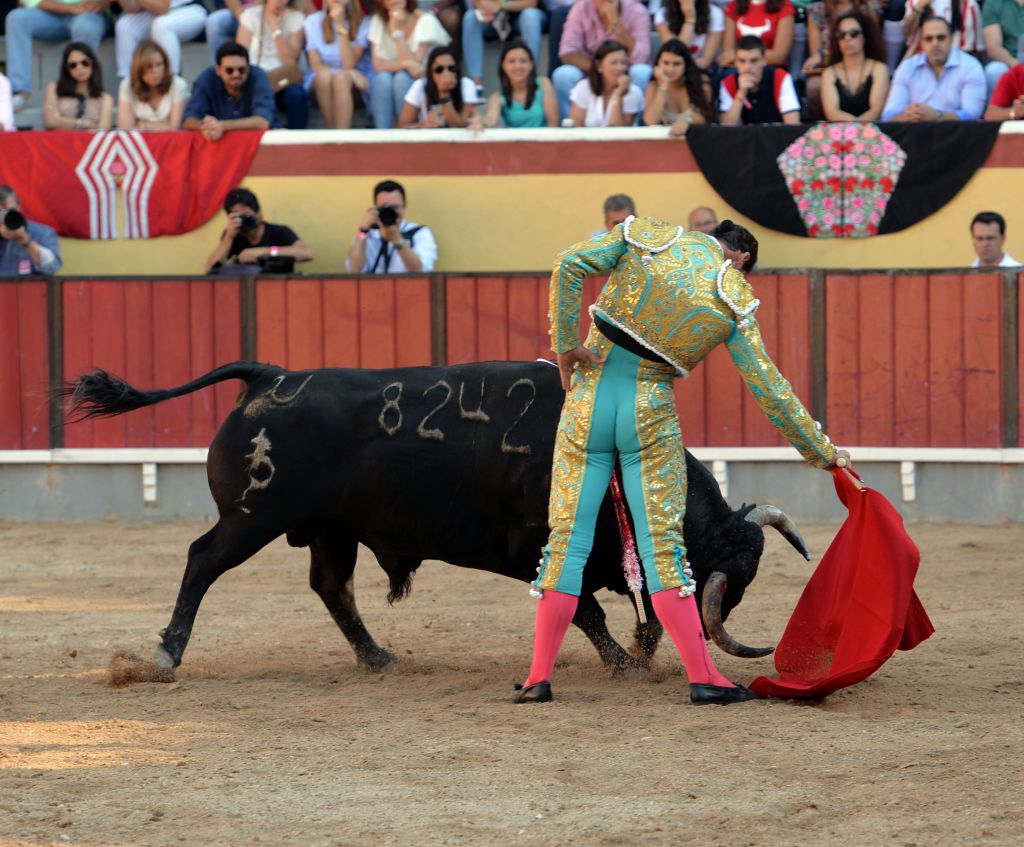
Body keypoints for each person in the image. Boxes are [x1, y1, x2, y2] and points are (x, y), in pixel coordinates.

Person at [516, 217, 847, 706]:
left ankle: (538, 679)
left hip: (586, 402)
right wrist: (823, 453)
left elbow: (568, 264)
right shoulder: (731, 293)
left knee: (566, 543)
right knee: (663, 549)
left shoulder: (650, 236)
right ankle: (704, 678)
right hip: (647, 411)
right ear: (739, 259)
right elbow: (769, 388)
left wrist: (566, 346)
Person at [4, 0, 111, 112]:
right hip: (49, 13)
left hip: (89, 14)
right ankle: (19, 92)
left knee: (86, 27)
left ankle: (82, 94)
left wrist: (104, 3)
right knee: (16, 18)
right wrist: (71, 8)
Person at [553, 0, 653, 120]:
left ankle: (638, 124)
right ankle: (568, 126)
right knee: (563, 74)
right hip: (591, 70)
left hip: (624, 70)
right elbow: (567, 52)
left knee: (642, 72)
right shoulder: (581, 8)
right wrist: (601, 69)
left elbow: (641, 56)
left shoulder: (637, 10)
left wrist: (616, 23)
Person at [882, 13, 985, 120]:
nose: (935, 43)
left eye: (941, 38)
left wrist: (937, 116)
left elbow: (973, 114)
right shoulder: (907, 67)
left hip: (957, 134)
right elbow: (888, 115)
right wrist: (907, 117)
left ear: (951, 39)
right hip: (915, 132)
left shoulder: (970, 66)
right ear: (921, 42)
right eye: (929, 39)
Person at [368, 0, 451, 129]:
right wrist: (406, 64)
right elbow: (378, 65)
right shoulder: (378, 21)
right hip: (390, 82)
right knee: (382, 79)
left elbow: (416, 69)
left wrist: (396, 32)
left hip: (423, 83)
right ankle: (382, 134)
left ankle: (406, 132)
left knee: (401, 78)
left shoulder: (426, 21)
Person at [205, 187, 314, 274]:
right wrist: (229, 236)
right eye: (240, 217)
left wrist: (263, 251)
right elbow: (210, 269)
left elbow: (307, 253)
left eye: (247, 215)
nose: (245, 220)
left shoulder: (279, 232)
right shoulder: (232, 236)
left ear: (259, 213)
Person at [183, 41, 277, 139]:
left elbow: (262, 122)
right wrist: (208, 127)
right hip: (219, 146)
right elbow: (188, 120)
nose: (236, 74)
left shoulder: (258, 76)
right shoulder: (206, 79)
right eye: (229, 70)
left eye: (241, 70)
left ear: (248, 68)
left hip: (261, 144)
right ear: (218, 70)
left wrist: (221, 126)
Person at [237, 0, 307, 129]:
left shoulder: (296, 18)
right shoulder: (250, 15)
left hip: (283, 80)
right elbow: (239, 57)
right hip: (255, 80)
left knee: (297, 95)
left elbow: (291, 61)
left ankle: (298, 140)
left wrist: (276, 31)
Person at [305, 0, 373, 129]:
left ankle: (341, 135)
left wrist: (340, 25)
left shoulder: (365, 22)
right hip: (321, 82)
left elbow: (348, 63)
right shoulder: (312, 21)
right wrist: (346, 72)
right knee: (325, 76)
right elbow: (315, 65)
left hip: (354, 86)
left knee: (340, 79)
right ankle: (334, 134)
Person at [346, 179, 438, 273]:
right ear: (376, 208)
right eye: (385, 208)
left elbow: (420, 272)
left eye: (395, 207)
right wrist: (362, 231)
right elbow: (353, 271)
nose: (391, 212)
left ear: (404, 206)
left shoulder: (419, 233)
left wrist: (397, 239)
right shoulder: (366, 234)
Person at [820, 11, 891, 119]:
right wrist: (855, 129)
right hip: (839, 133)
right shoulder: (829, 73)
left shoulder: (879, 69)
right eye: (842, 35)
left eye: (854, 34)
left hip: (873, 132)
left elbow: (876, 111)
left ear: (865, 37)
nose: (847, 38)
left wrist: (857, 130)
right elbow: (832, 112)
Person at [461, 0, 545, 90]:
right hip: (494, 21)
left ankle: (530, 81)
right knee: (470, 17)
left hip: (522, 18)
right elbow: (475, 3)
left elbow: (531, 3)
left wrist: (500, 5)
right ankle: (475, 87)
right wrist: (484, 6)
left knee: (530, 15)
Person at [115, 0, 209, 80]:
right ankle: (129, 88)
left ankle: (172, 86)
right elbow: (133, 8)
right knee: (125, 26)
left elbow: (163, 7)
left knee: (161, 26)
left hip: (190, 9)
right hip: (154, 12)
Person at [719, 34, 801, 123]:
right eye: (742, 61)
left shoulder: (780, 77)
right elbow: (726, 131)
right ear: (735, 62)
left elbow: (793, 124)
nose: (747, 67)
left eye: (754, 60)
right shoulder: (728, 83)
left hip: (777, 136)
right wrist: (740, 94)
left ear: (764, 60)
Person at [643, 38, 715, 137]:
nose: (670, 69)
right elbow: (651, 121)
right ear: (658, 63)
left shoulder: (701, 83)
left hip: (696, 141)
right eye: (666, 63)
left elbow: (704, 117)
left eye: (677, 64)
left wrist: (687, 121)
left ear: (686, 65)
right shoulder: (653, 86)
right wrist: (663, 86)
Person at [567, 39, 645, 127]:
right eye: (614, 63)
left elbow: (620, 132)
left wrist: (618, 95)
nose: (620, 68)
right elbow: (575, 127)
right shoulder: (584, 87)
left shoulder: (634, 92)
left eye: (623, 63)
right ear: (599, 66)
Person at [483, 39, 559, 127]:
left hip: (543, 139)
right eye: (511, 62)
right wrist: (480, 124)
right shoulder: (497, 98)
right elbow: (490, 120)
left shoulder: (544, 83)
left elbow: (553, 123)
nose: (518, 66)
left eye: (523, 61)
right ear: (504, 66)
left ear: (531, 64)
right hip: (515, 140)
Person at [398, 45, 479, 127]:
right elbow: (403, 125)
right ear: (430, 73)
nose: (446, 74)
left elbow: (460, 127)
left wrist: (444, 94)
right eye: (439, 69)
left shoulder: (467, 84)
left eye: (451, 68)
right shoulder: (420, 85)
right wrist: (424, 125)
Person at [118, 39, 190, 130]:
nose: (155, 71)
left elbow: (174, 128)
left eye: (159, 64)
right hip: (139, 142)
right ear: (139, 70)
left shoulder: (178, 85)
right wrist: (164, 125)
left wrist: (143, 125)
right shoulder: (127, 85)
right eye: (149, 67)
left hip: (171, 142)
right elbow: (126, 128)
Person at [42, 41, 114, 130]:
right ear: (67, 69)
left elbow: (103, 130)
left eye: (85, 63)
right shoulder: (54, 87)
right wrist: (86, 123)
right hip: (59, 142)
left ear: (93, 64)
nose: (79, 68)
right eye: (73, 65)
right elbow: (50, 121)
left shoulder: (105, 98)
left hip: (90, 143)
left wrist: (61, 121)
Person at [0, 184, 62, 276]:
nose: (5, 216)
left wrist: (25, 241)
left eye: (10, 211)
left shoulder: (43, 233)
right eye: (1, 213)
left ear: (19, 207)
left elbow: (52, 266)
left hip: (29, 289)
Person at [721, 0, 796, 68]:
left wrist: (738, 56)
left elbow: (779, 57)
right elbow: (727, 56)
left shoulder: (784, 5)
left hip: (769, 68)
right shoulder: (733, 5)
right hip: (738, 68)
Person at [655, 0, 726, 71]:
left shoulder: (715, 13)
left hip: (702, 70)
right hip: (672, 70)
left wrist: (690, 16)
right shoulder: (663, 14)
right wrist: (689, 19)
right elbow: (675, 55)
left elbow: (705, 62)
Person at [901, 0, 982, 59]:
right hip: (919, 61)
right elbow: (907, 33)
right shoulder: (915, 2)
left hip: (956, 64)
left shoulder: (968, 4)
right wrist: (919, 7)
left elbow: (971, 50)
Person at [981, 0, 1024, 96]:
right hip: (1011, 62)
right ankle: (998, 108)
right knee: (994, 71)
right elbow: (994, 48)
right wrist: (1018, 66)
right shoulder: (993, 3)